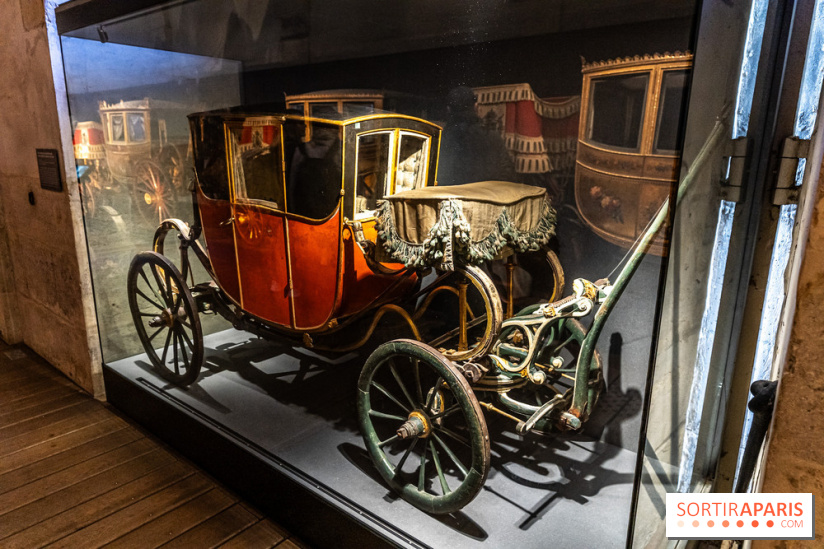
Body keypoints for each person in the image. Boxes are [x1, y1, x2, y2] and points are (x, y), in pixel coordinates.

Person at [436, 86, 517, 186]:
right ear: (476, 107)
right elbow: (508, 173)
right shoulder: (492, 135)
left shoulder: (440, 139)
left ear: (448, 109)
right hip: (488, 197)